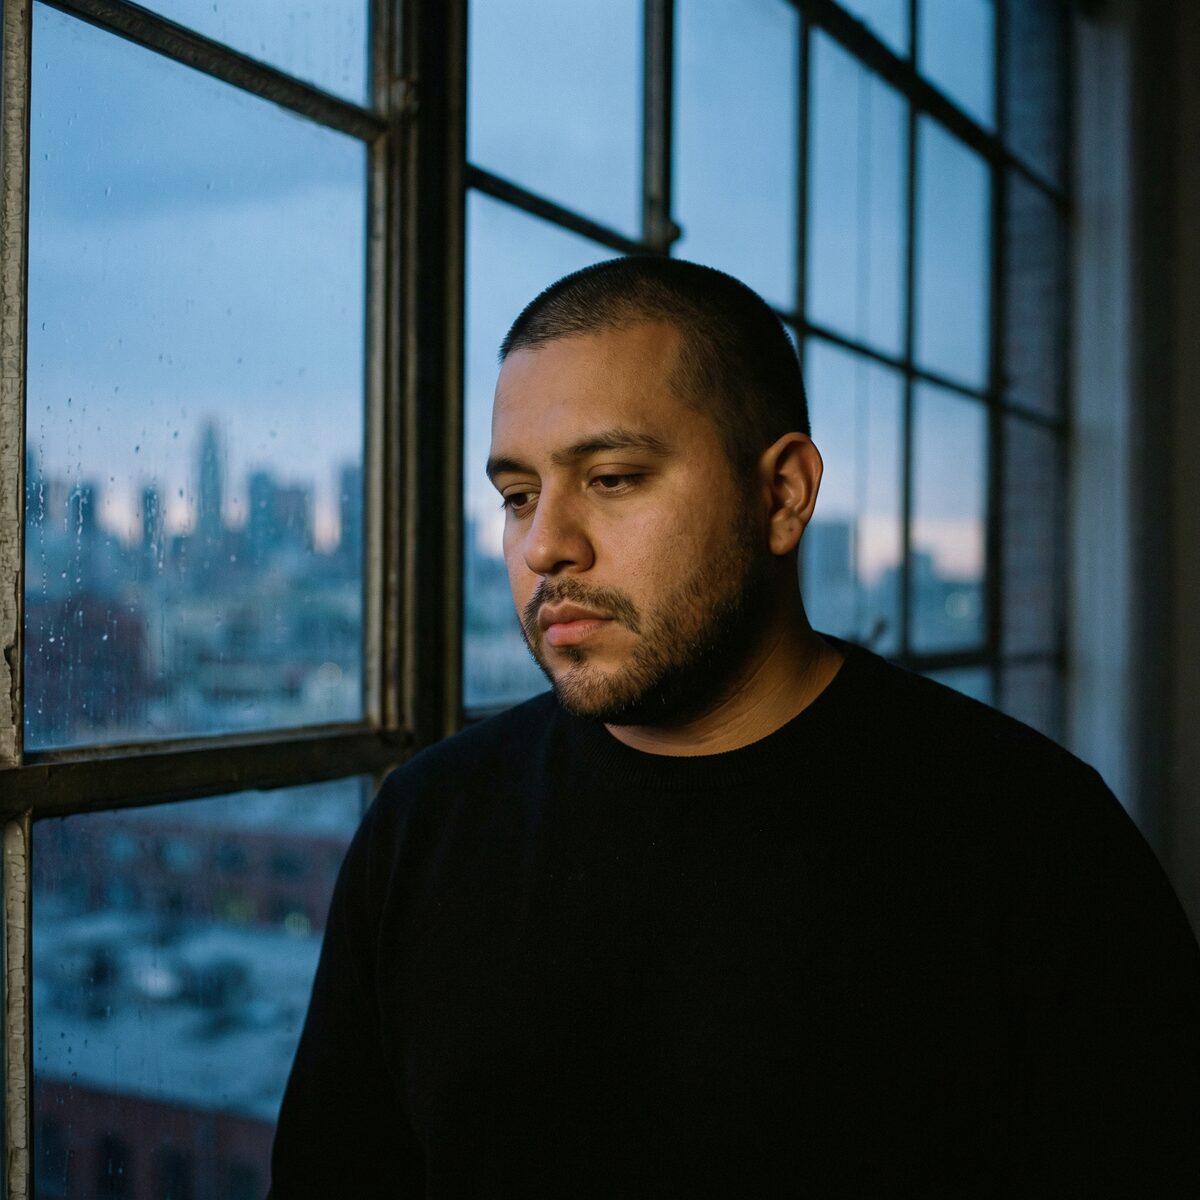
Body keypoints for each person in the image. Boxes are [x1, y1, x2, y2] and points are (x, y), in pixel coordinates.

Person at [269, 258, 1200, 1197]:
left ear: (784, 494)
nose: (544, 544)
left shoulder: (1034, 841)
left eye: (613, 478)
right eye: (518, 495)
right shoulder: (425, 826)